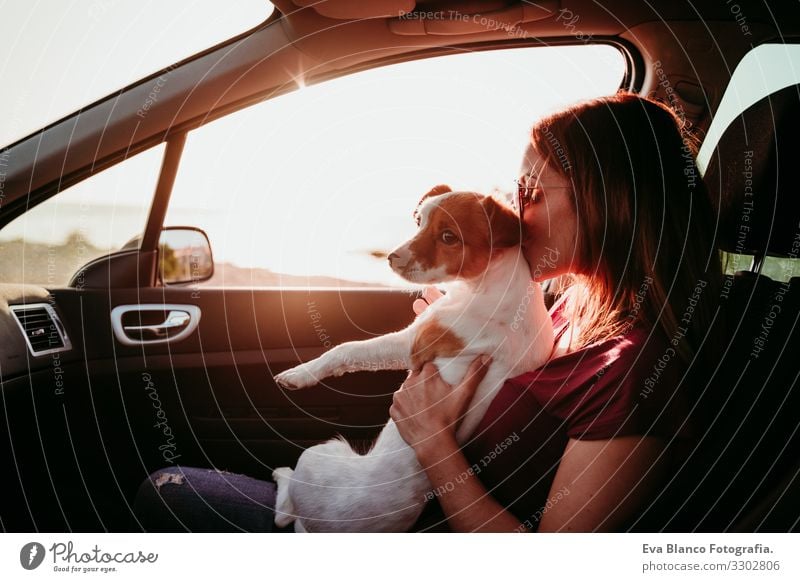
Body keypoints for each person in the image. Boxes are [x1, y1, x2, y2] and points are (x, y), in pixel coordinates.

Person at [133, 92, 721, 532]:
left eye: (533, 192)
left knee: (168, 492)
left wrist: (434, 444)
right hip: (398, 518)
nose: (514, 212)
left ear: (612, 203)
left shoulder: (636, 372)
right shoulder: (572, 311)